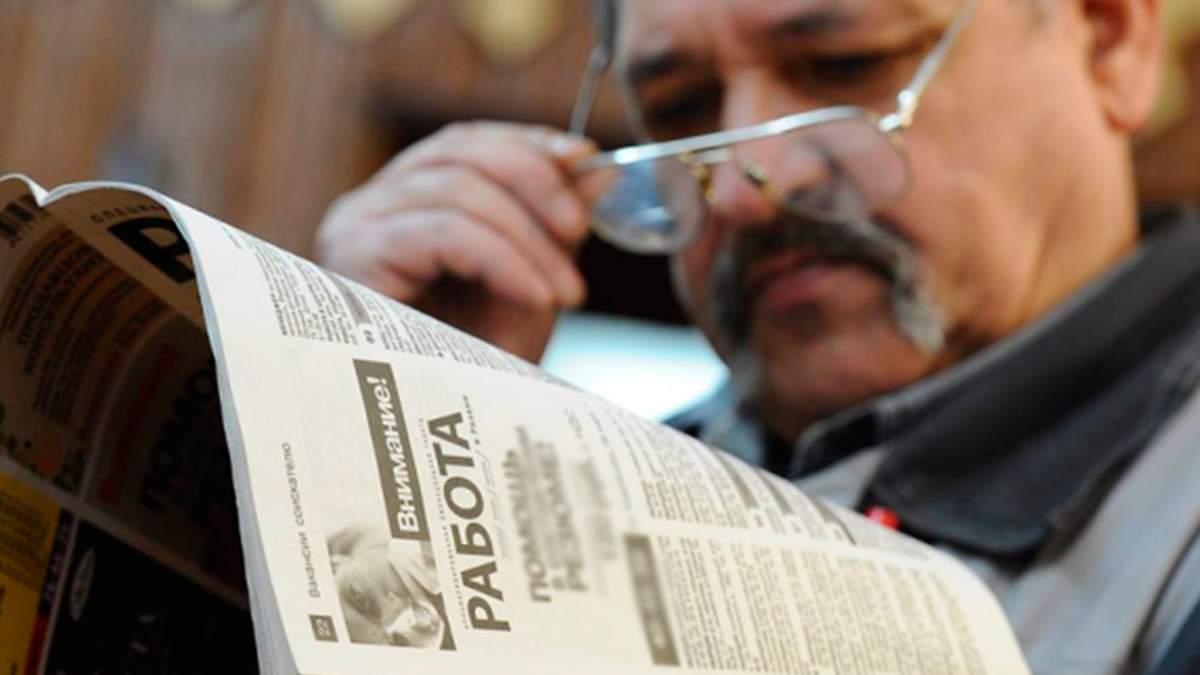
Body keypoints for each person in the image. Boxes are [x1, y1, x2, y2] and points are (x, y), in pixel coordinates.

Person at [315, 0, 1200, 671]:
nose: (746, 187)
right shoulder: (612, 497)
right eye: (682, 108)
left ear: (1110, 39)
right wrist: (375, 456)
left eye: (845, 65)